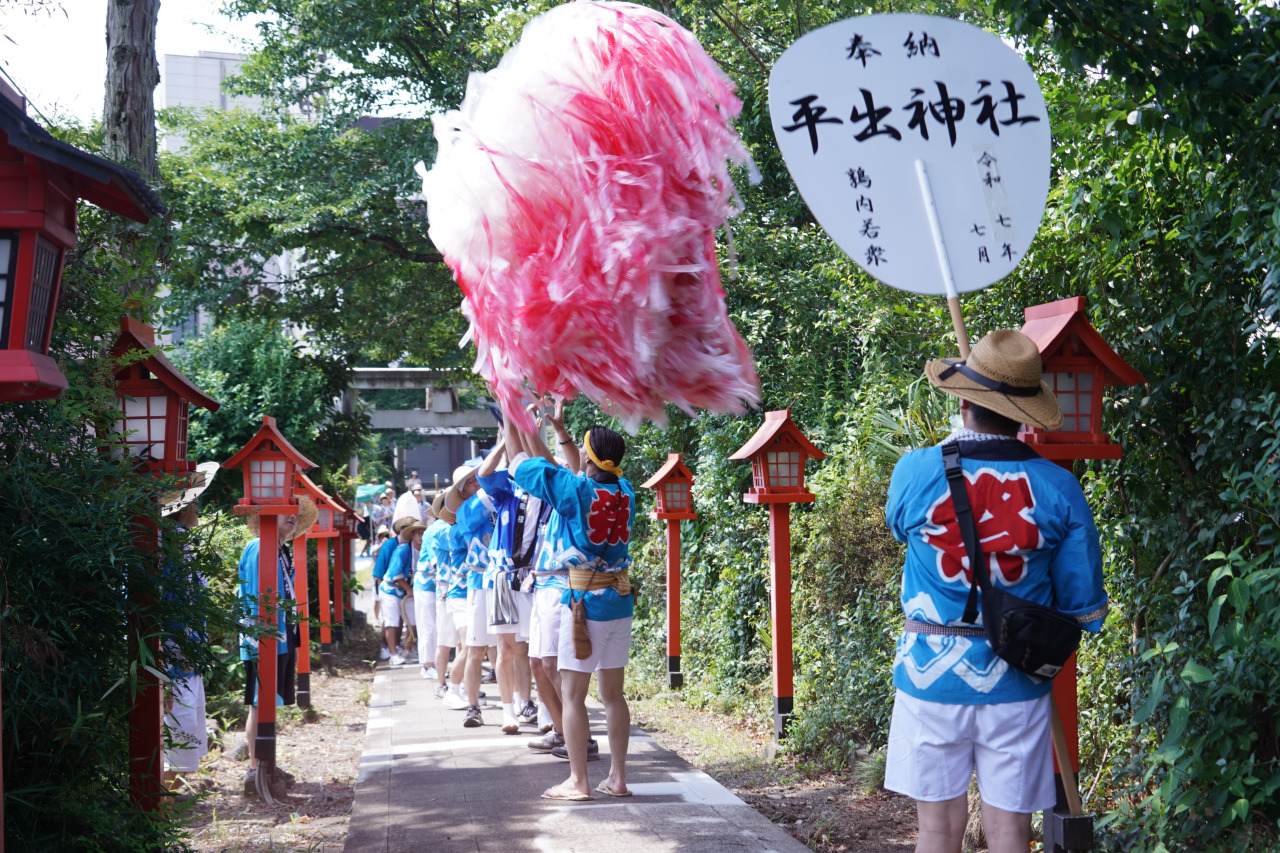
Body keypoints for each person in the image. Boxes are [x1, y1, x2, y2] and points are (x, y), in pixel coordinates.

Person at [883, 330, 1108, 853]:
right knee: (1010, 835)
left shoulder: (915, 470)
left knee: (936, 832)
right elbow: (1083, 604)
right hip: (1017, 680)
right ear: (1025, 415)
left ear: (963, 403)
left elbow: (899, 528)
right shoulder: (1058, 486)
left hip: (928, 678)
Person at [510, 411, 636, 801]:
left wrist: (515, 415)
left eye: (582, 450)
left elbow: (523, 465)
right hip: (620, 602)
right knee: (613, 694)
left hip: (584, 606)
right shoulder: (626, 490)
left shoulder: (575, 491)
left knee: (573, 695)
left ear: (589, 459)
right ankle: (617, 778)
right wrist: (561, 431)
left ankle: (579, 781)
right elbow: (572, 468)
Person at [238, 496, 318, 799]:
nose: (293, 517)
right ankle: (255, 770)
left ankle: (267, 765)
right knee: (259, 702)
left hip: (281, 635)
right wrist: (266, 638)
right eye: (286, 511)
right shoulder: (259, 547)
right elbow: (257, 598)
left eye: (296, 513)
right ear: (268, 515)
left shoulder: (280, 550)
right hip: (263, 637)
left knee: (270, 701)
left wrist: (290, 638)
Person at [160, 461, 219, 794]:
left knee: (182, 739)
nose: (198, 505)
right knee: (173, 737)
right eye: (194, 499)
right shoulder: (165, 545)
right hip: (172, 658)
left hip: (185, 656)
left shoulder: (180, 543)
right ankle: (160, 808)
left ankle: (166, 805)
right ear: (181, 506)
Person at [381, 519, 424, 666]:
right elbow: (395, 574)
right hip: (391, 589)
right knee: (392, 622)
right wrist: (408, 589)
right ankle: (393, 654)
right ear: (412, 535)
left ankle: (407, 650)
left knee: (413, 621)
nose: (421, 536)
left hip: (409, 590)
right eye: (418, 533)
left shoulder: (425, 550)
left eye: (423, 533)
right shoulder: (402, 550)